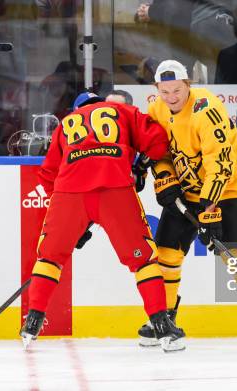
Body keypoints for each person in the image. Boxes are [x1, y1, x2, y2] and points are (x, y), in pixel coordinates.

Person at [21, 92, 186, 352]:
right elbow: (157, 142)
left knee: (49, 258)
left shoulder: (66, 123)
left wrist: (75, 221)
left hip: (69, 194)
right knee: (143, 260)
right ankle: (161, 325)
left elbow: (48, 175)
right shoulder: (123, 111)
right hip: (115, 187)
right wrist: (140, 162)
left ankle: (31, 324)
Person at [136, 60, 237, 351]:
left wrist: (208, 210)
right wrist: (165, 178)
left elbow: (221, 164)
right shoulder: (157, 110)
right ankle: (165, 318)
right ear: (156, 89)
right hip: (187, 191)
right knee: (166, 253)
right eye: (165, 91)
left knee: (236, 253)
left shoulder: (206, 110)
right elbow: (157, 152)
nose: (171, 97)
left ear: (188, 84)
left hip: (226, 190)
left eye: (177, 89)